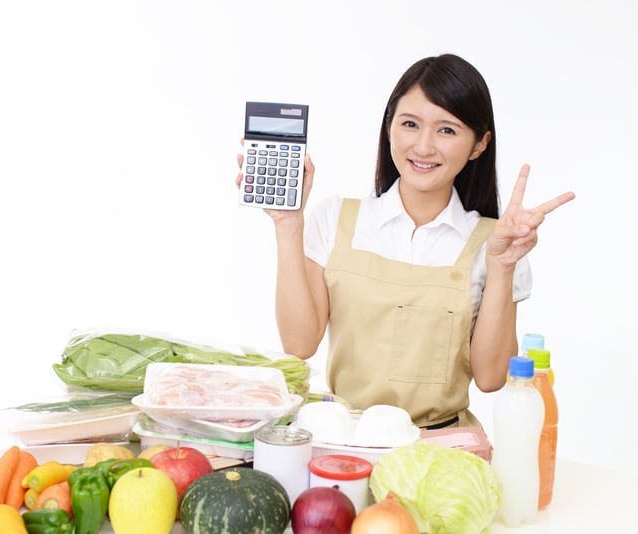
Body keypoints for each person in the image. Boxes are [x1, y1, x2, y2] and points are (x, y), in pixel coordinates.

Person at [236, 54, 575, 429]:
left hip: (441, 447)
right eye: (410, 124)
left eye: (447, 130)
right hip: (344, 436)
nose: (424, 146)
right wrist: (288, 223)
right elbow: (299, 345)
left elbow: (492, 378)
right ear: (389, 128)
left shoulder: (495, 243)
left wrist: (503, 266)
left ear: (479, 144)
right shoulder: (335, 218)